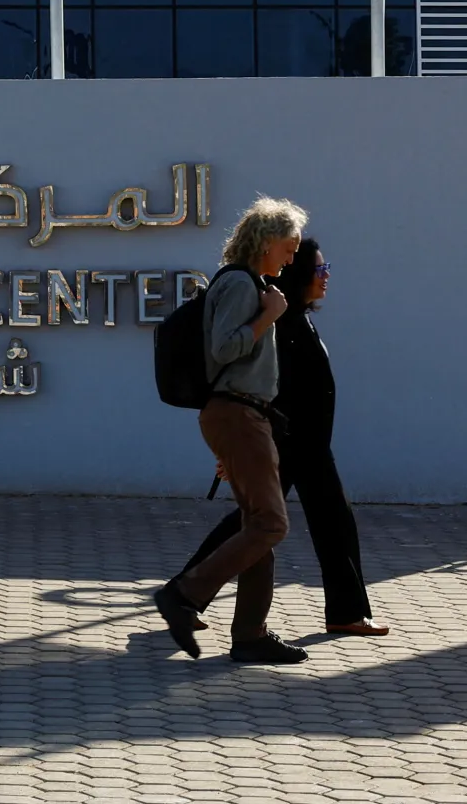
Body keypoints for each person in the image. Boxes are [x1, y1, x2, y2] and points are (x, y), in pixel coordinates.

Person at [179, 238, 387, 640]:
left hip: (307, 444)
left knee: (325, 523)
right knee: (262, 524)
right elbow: (271, 388)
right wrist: (247, 445)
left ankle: (186, 596)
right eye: (319, 270)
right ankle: (184, 596)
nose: (326, 278)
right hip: (290, 442)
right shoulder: (281, 323)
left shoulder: (296, 318)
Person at [153, 196, 308, 665]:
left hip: (241, 416)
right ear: (265, 242)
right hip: (237, 413)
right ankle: (184, 593)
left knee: (257, 524)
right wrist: (268, 316)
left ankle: (250, 635)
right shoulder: (243, 285)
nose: (293, 256)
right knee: (271, 523)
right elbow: (224, 347)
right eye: (289, 246)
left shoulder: (250, 283)